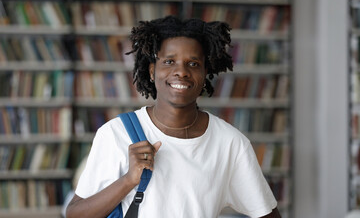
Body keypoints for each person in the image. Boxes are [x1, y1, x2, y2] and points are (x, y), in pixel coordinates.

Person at [66, 15, 281, 218]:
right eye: (169, 62)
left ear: (205, 72)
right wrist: (128, 180)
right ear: (152, 71)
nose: (181, 71)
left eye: (193, 63)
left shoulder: (230, 143)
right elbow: (74, 213)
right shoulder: (116, 134)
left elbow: (266, 213)